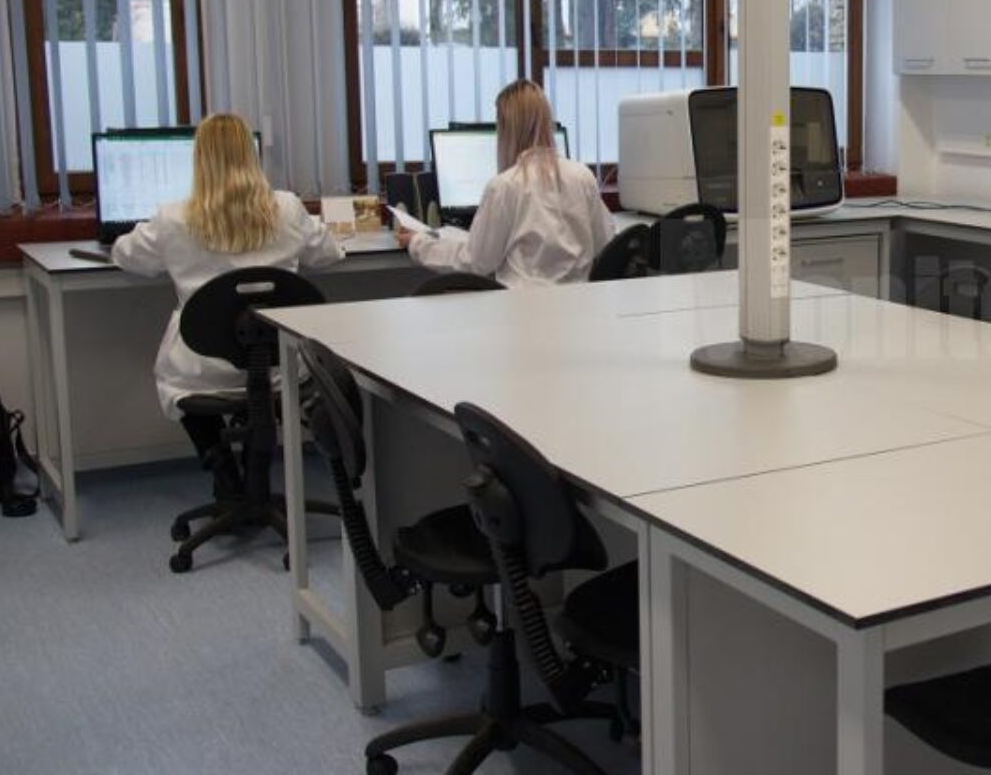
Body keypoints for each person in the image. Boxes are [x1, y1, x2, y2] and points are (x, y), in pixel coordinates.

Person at [113, 112, 344, 486]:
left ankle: (218, 462)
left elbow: (127, 257)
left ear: (199, 159)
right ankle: (256, 469)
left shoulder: (173, 217)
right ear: (252, 157)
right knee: (263, 382)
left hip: (204, 365)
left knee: (174, 379)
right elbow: (328, 254)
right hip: (279, 363)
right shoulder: (288, 207)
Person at [397, 80, 615, 287]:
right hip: (579, 306)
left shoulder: (505, 186)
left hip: (521, 308)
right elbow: (605, 241)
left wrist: (418, 243)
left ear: (505, 128)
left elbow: (475, 262)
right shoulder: (582, 176)